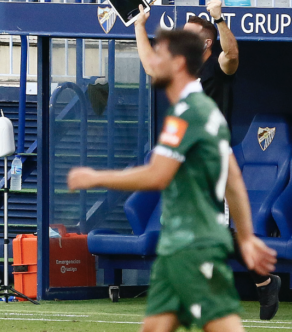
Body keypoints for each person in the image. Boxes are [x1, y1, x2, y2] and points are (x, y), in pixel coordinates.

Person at [68, 29, 277, 332]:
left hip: (193, 243)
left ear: (178, 63)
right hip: (179, 243)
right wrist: (246, 238)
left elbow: (157, 174)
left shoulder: (189, 112)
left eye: (160, 55)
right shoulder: (201, 108)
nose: (152, 62)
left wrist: (96, 176)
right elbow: (230, 173)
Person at [135, 0, 281, 320]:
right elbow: (149, 66)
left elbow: (233, 55)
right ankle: (263, 282)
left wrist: (220, 19)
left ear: (204, 42)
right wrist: (138, 27)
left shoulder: (217, 67)